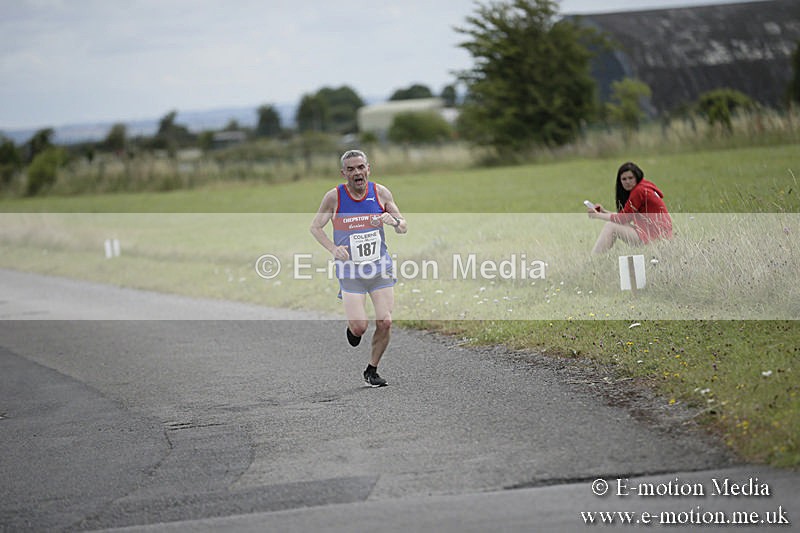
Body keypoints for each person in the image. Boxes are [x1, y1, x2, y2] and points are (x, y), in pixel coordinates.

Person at [310, 149, 407, 387]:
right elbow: (315, 227)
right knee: (360, 326)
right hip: (351, 271)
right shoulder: (334, 197)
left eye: (361, 167)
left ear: (368, 169)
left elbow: (403, 226)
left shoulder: (380, 192)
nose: (357, 173)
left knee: (385, 321)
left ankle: (372, 370)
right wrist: (334, 249)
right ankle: (353, 330)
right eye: (351, 169)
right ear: (344, 173)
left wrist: (393, 220)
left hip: (379, 267)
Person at [588, 161, 672, 254]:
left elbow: (621, 218)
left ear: (636, 177)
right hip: (658, 235)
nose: (627, 182)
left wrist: (597, 215)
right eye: (624, 179)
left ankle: (594, 258)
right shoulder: (644, 185)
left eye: (630, 178)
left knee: (610, 226)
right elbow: (624, 217)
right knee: (614, 224)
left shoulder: (638, 191)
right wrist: (603, 211)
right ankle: (596, 257)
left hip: (656, 238)